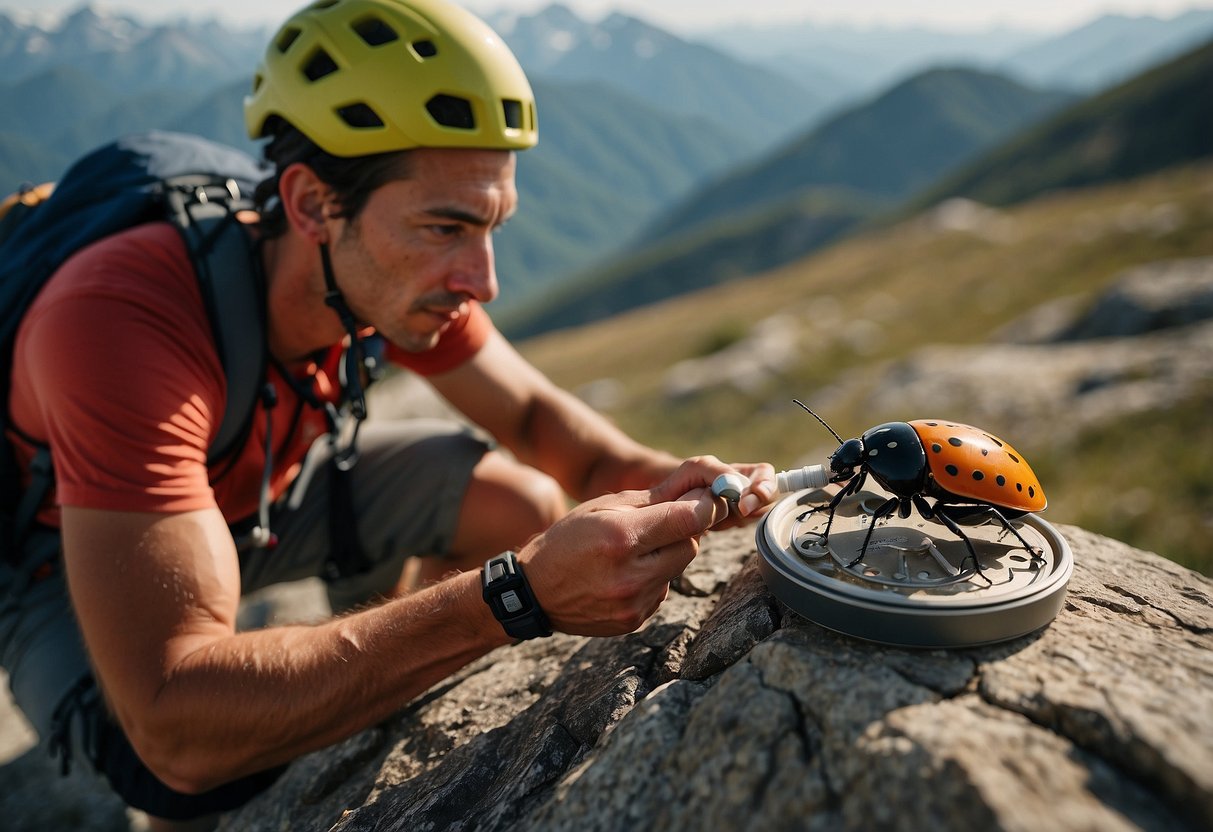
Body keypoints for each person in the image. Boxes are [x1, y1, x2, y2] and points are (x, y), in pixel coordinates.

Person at [0, 0, 775, 828]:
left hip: (259, 491)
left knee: (517, 504)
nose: (480, 279)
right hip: (64, 549)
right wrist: (510, 599)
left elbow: (558, 439)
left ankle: (340, 680)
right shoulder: (120, 320)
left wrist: (695, 486)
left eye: (490, 226)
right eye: (445, 226)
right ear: (310, 204)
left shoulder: (387, 274)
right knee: (194, 766)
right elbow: (173, 721)